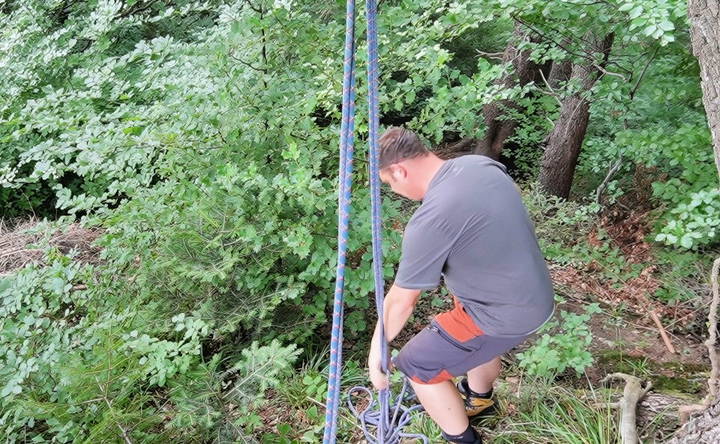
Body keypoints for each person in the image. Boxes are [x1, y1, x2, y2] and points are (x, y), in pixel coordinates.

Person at [367, 127, 555, 444]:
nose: (394, 191)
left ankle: (463, 439)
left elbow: (402, 302)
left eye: (389, 184)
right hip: (535, 293)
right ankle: (479, 398)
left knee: (417, 364)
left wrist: (377, 351)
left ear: (399, 170)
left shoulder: (431, 219)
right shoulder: (480, 165)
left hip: (506, 314)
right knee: (465, 315)